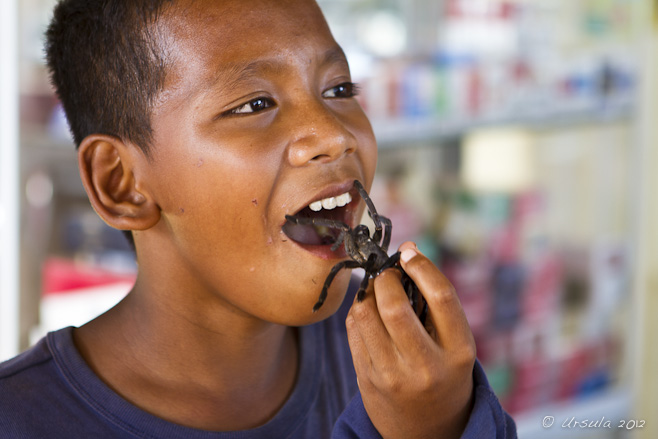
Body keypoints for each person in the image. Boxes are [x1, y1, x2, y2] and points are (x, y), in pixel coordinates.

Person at [0, 0, 516, 437]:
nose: (333, 134)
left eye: (339, 90)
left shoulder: (407, 370)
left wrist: (448, 422)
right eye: (253, 104)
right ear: (121, 183)